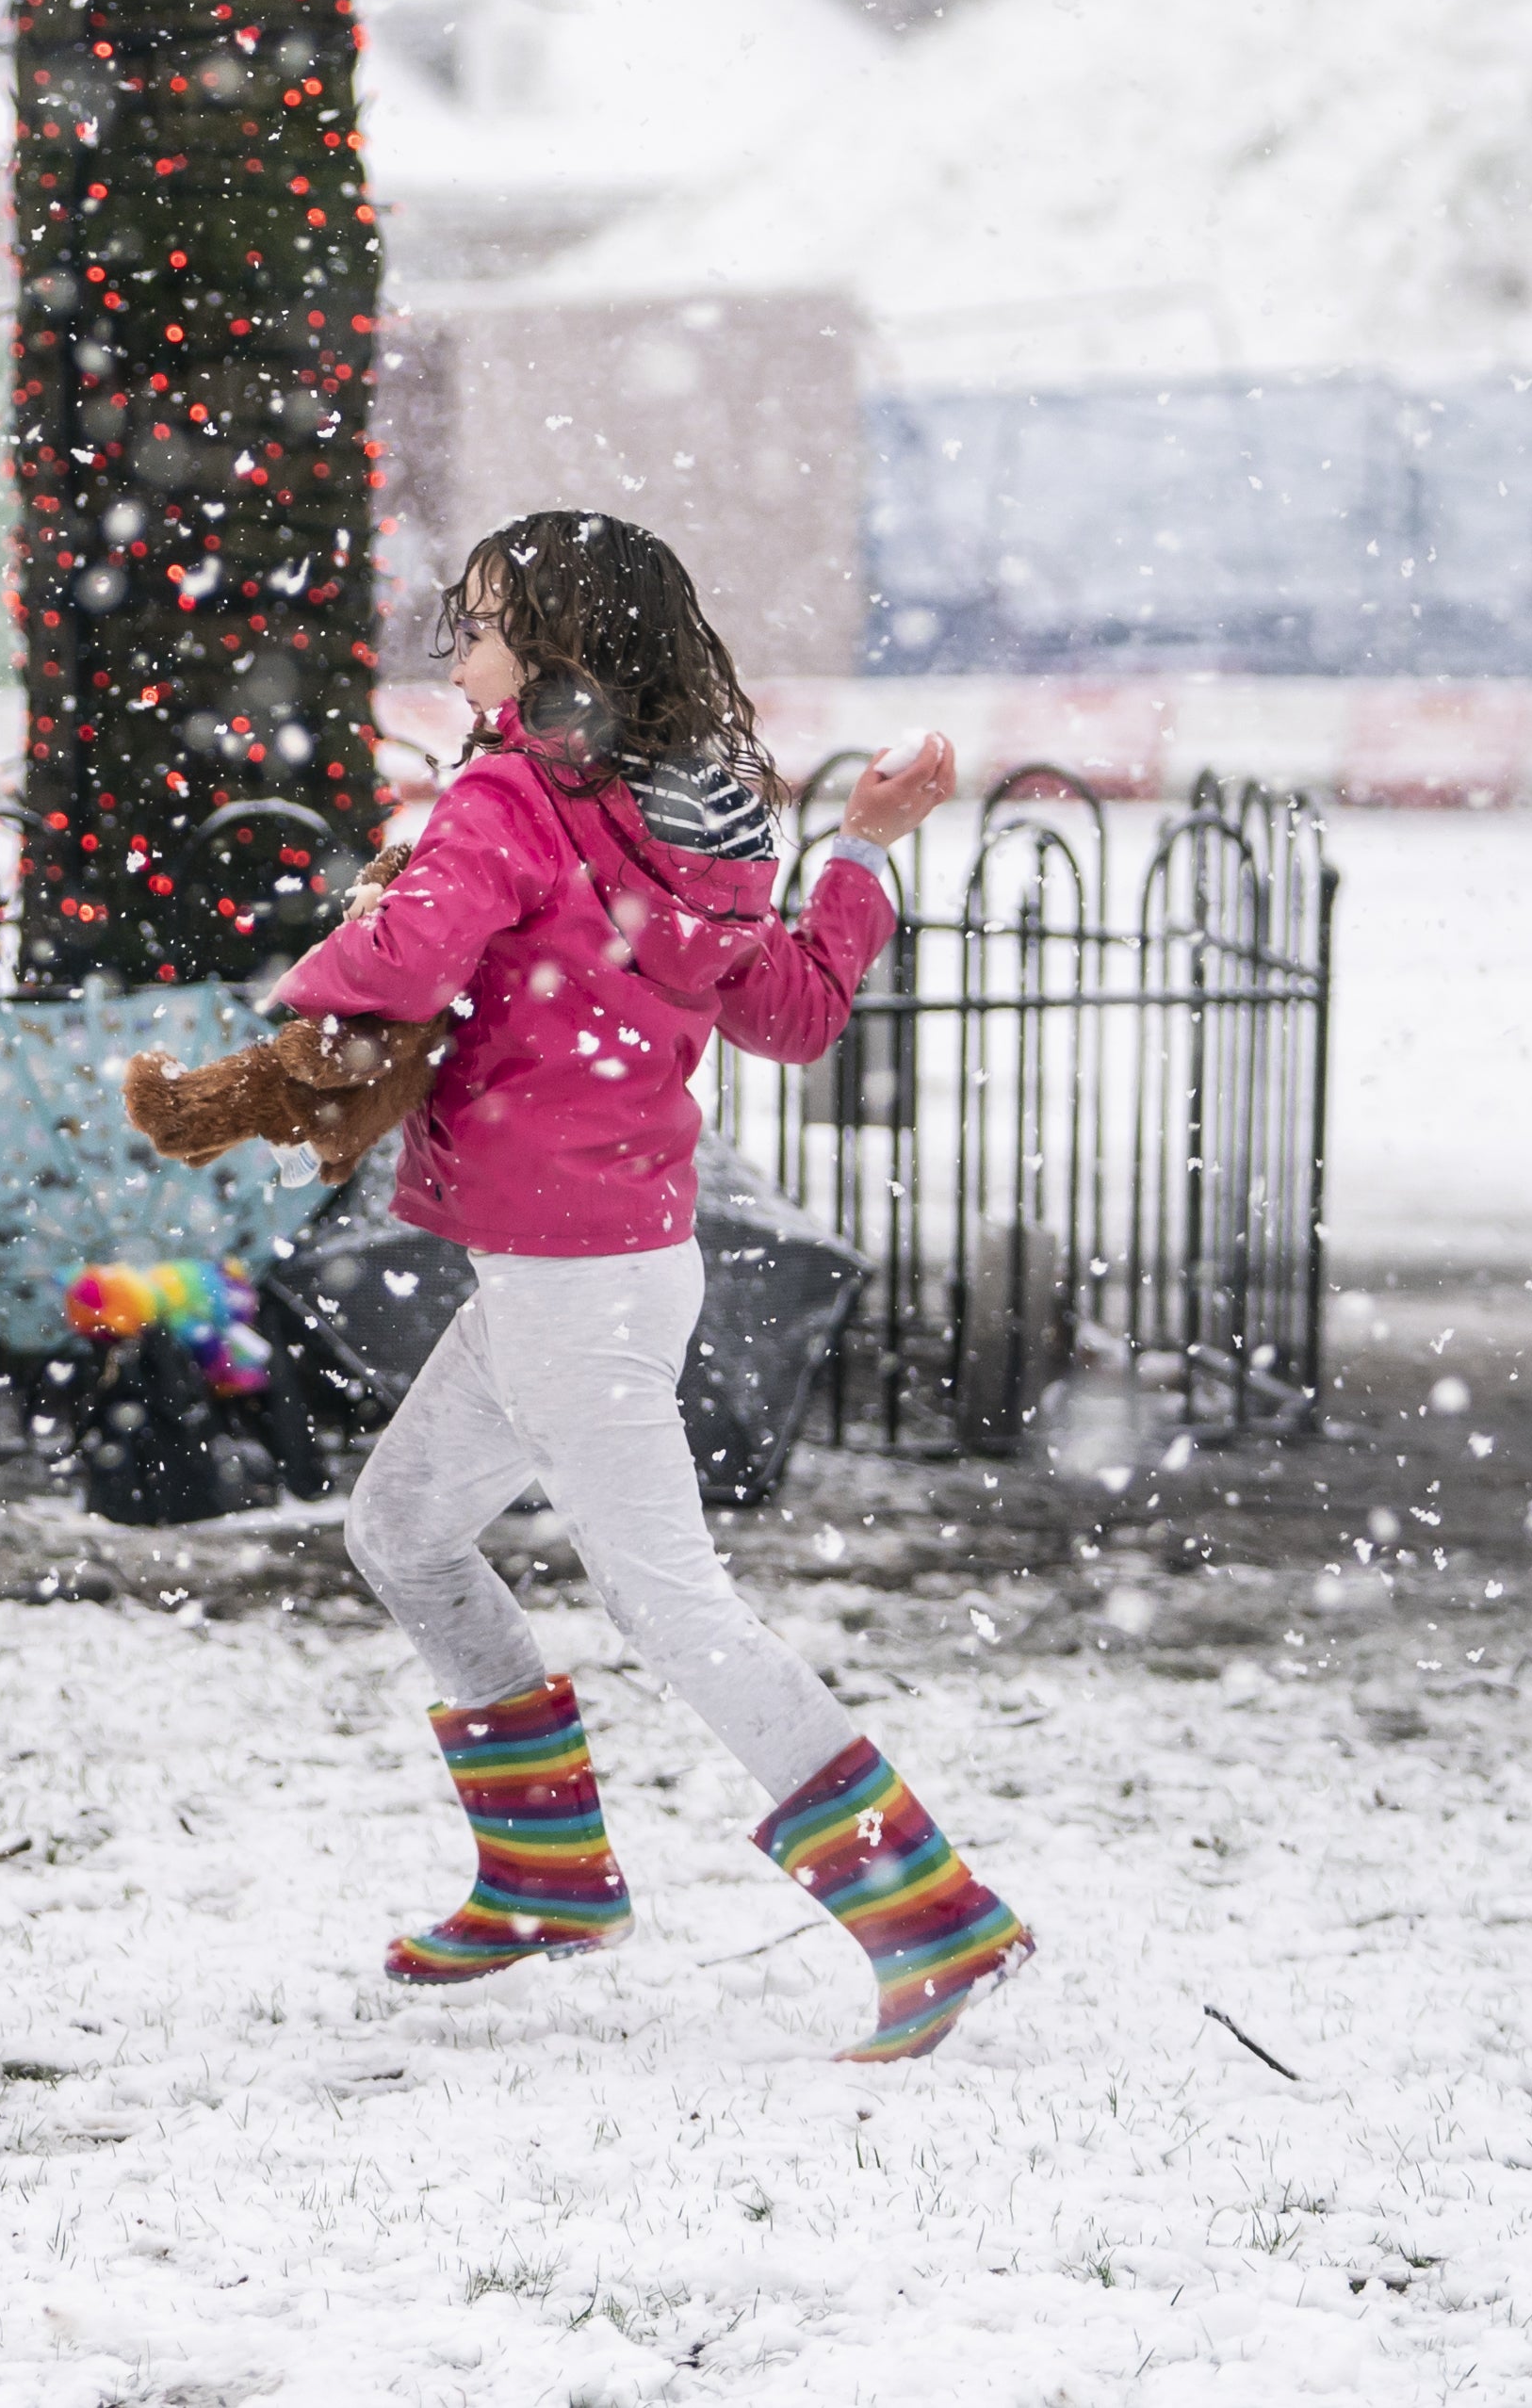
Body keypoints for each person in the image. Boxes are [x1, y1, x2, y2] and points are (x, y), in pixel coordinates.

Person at [274, 510, 1015, 2062]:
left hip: (564, 1273)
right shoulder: (699, 817)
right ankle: (543, 1871)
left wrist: (324, 975)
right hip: (616, 1258)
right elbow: (799, 1012)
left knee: (672, 1603)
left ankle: (928, 1911)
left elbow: (411, 971)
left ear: (548, 652)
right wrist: (862, 849)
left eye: (477, 620)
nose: (454, 644)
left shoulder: (507, 796)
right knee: (403, 1527)